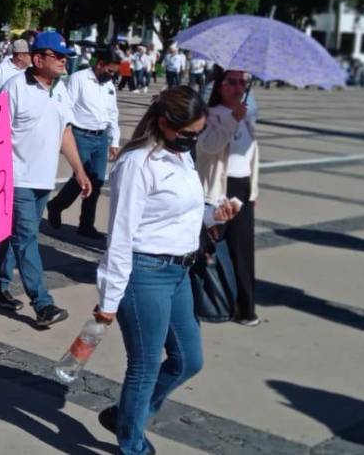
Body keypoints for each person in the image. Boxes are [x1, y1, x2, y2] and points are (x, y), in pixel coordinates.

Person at [94, 87, 241, 455]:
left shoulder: (181, 156)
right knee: (144, 367)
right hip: (145, 274)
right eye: (188, 133)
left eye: (199, 133)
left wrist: (213, 215)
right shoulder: (137, 163)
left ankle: (127, 415)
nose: (193, 140)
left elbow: (181, 214)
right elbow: (120, 235)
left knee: (189, 360)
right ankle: (132, 444)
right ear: (163, 123)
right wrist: (108, 301)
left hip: (179, 273)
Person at [0, 32, 91, 328]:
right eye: (58, 56)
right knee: (27, 237)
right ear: (39, 59)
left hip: (43, 179)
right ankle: (42, 303)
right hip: (17, 178)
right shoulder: (15, 87)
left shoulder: (60, 89)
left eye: (66, 56)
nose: (64, 61)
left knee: (16, 236)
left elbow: (65, 131)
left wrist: (79, 170)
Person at [196, 66, 260, 326]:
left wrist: (253, 191)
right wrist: (232, 119)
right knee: (211, 249)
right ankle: (208, 303)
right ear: (219, 85)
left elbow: (252, 158)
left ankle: (246, 308)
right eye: (231, 82)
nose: (238, 87)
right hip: (218, 190)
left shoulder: (247, 116)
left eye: (242, 82)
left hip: (242, 187)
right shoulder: (209, 115)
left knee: (243, 250)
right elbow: (208, 146)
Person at [47, 49, 121, 239]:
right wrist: (65, 135)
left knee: (96, 180)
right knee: (82, 177)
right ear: (100, 64)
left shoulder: (108, 84)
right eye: (110, 71)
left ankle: (86, 224)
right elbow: (67, 106)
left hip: (101, 137)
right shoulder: (79, 79)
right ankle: (57, 205)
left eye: (114, 73)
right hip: (81, 135)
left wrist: (114, 140)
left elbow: (113, 113)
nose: (112, 76)